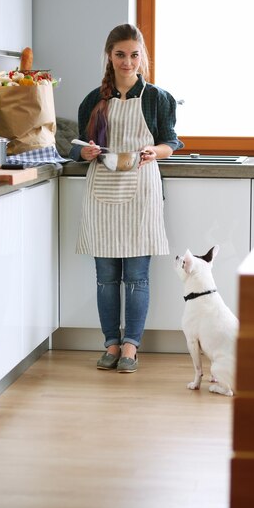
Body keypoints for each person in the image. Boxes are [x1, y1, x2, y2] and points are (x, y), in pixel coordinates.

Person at [69, 23, 183, 373]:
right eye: (120, 54)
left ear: (142, 56)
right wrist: (84, 153)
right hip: (102, 191)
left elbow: (171, 141)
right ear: (110, 56)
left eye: (134, 55)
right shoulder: (94, 99)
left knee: (137, 277)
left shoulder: (157, 98)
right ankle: (111, 344)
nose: (127, 61)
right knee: (106, 277)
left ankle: (132, 347)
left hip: (141, 190)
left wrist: (154, 151)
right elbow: (78, 146)